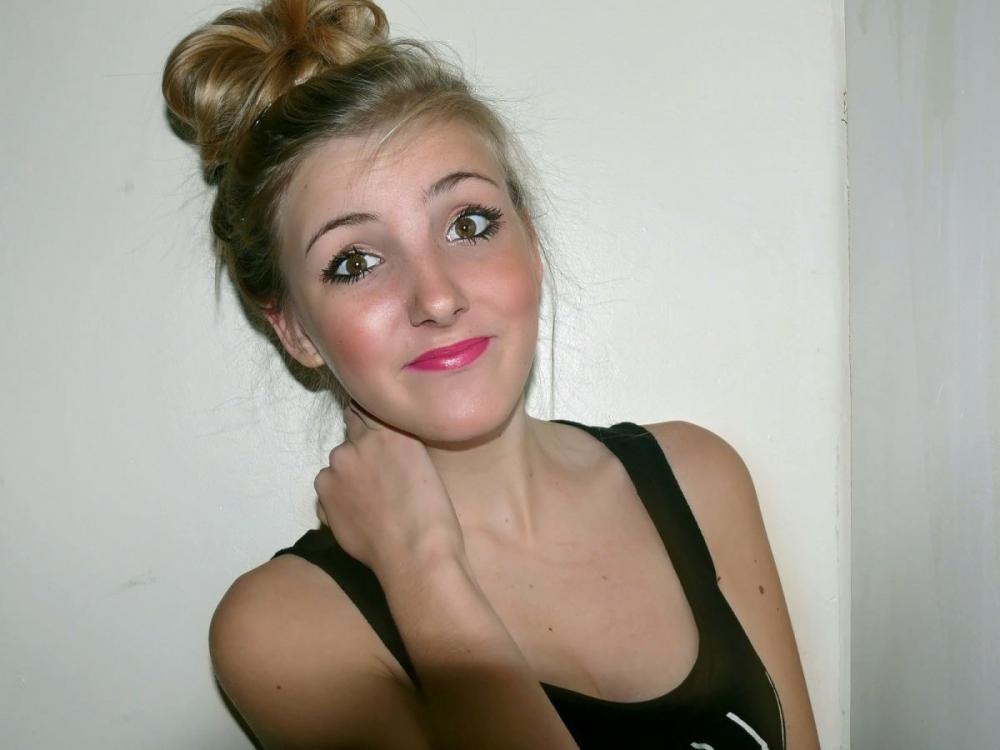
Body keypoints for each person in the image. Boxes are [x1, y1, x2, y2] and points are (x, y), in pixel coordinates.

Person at [163, 1, 820, 747]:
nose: (437, 297)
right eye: (355, 262)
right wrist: (422, 570)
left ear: (530, 242)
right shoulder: (286, 629)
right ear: (292, 328)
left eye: (468, 224)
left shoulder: (699, 479)